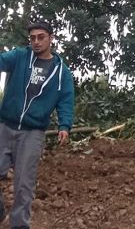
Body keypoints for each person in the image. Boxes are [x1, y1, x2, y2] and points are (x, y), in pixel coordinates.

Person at [0, 22, 74, 228]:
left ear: (51, 38)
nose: (36, 41)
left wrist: (64, 126)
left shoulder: (61, 73)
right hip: (5, 125)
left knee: (24, 184)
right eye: (32, 38)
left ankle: (19, 225)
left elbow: (66, 101)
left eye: (41, 37)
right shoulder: (20, 57)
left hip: (33, 132)